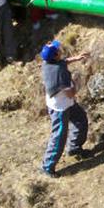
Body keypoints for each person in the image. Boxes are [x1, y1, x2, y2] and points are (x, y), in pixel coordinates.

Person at [39, 40, 90, 177]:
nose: (60, 50)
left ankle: (74, 148)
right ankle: (47, 166)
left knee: (80, 120)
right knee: (59, 137)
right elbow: (70, 93)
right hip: (60, 108)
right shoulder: (60, 74)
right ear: (55, 55)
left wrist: (76, 58)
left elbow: (63, 61)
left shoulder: (47, 63)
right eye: (58, 50)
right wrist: (76, 83)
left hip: (65, 103)